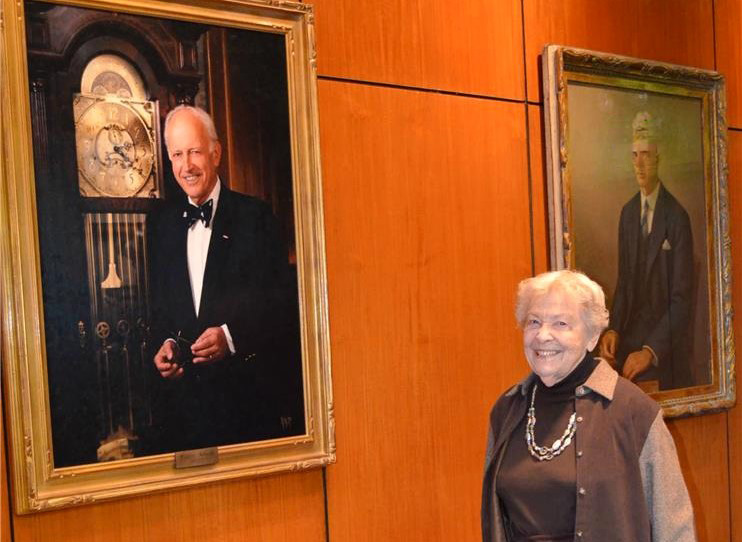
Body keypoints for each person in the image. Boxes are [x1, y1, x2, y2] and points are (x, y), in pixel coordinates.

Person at [481, 270, 695, 542]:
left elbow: (674, 529)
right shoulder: (506, 410)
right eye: (534, 321)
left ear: (592, 336)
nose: (543, 335)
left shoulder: (634, 412)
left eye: (560, 323)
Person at [146, 105, 303, 453]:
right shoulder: (161, 226)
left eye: (195, 152)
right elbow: (160, 309)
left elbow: (283, 308)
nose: (186, 166)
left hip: (244, 412)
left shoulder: (257, 218)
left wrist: (230, 338)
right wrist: (164, 344)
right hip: (184, 417)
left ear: (215, 152)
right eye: (177, 154)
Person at [599, 111, 694, 390]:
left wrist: (650, 351)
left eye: (646, 155)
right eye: (634, 155)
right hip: (628, 342)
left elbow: (681, 301)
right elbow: (625, 282)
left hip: (663, 351)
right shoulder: (628, 213)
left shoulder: (677, 217)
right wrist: (613, 328)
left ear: (658, 159)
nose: (639, 164)